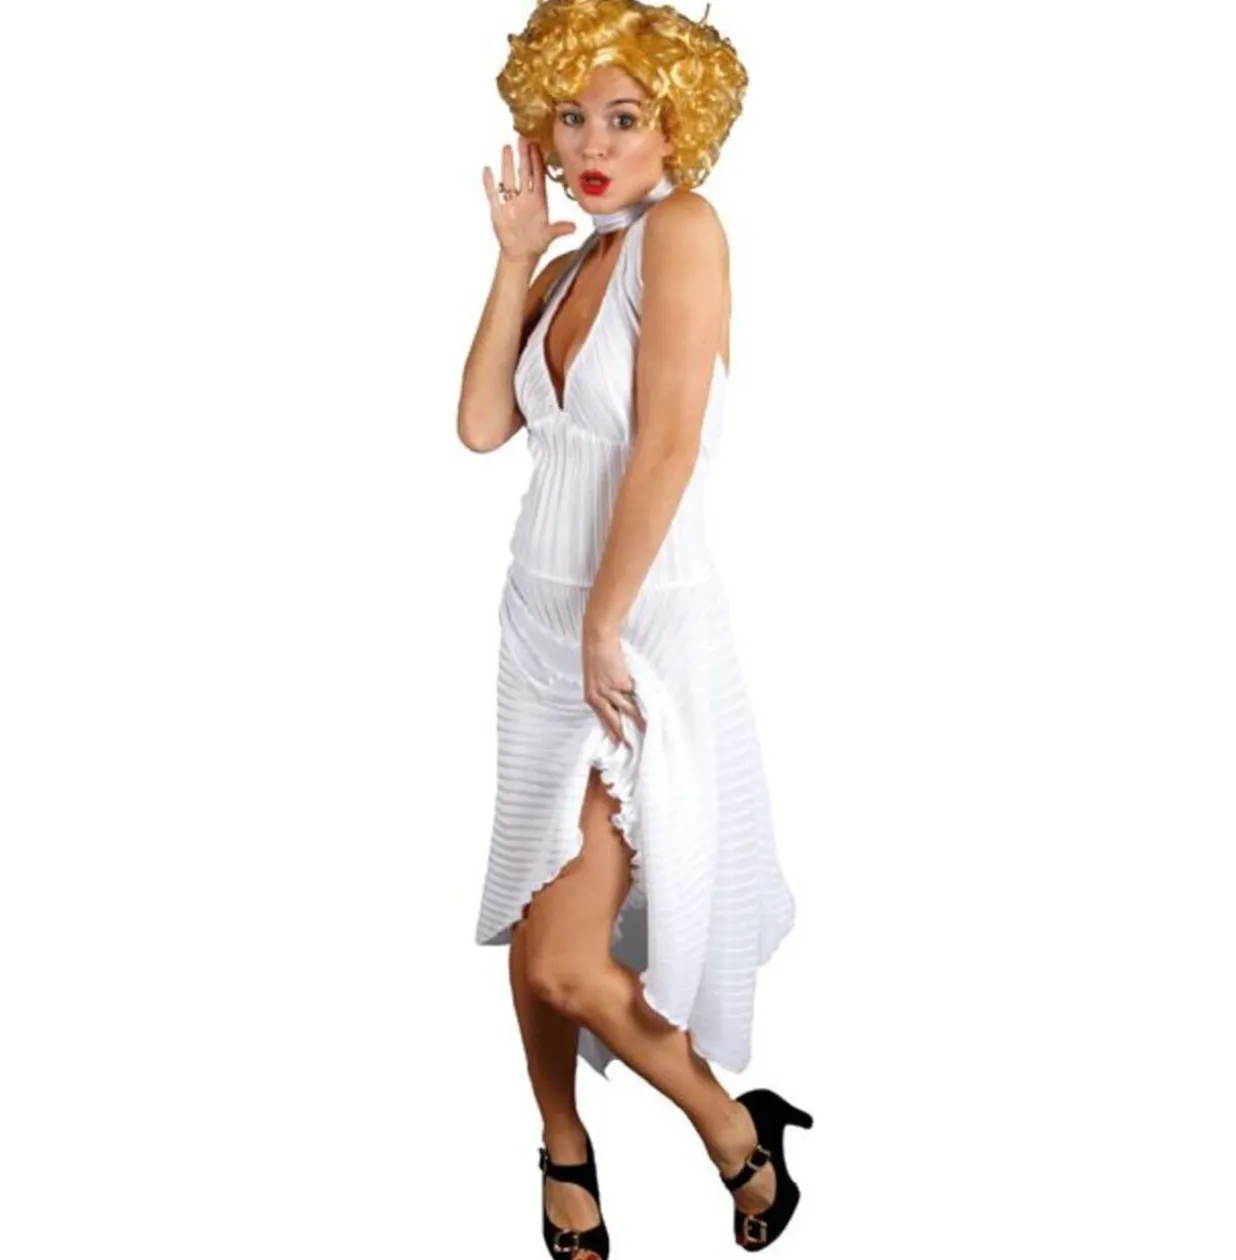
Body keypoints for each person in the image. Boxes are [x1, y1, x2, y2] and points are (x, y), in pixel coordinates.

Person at [457, 2, 811, 1253]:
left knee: (569, 958)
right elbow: (484, 427)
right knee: (537, 920)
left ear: (677, 126)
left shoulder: (685, 232)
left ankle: (731, 1128)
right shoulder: (570, 267)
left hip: (638, 626)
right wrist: (516, 259)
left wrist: (607, 622)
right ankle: (563, 1148)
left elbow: (666, 444)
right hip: (536, 624)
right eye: (571, 116)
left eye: (624, 116)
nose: (593, 143)